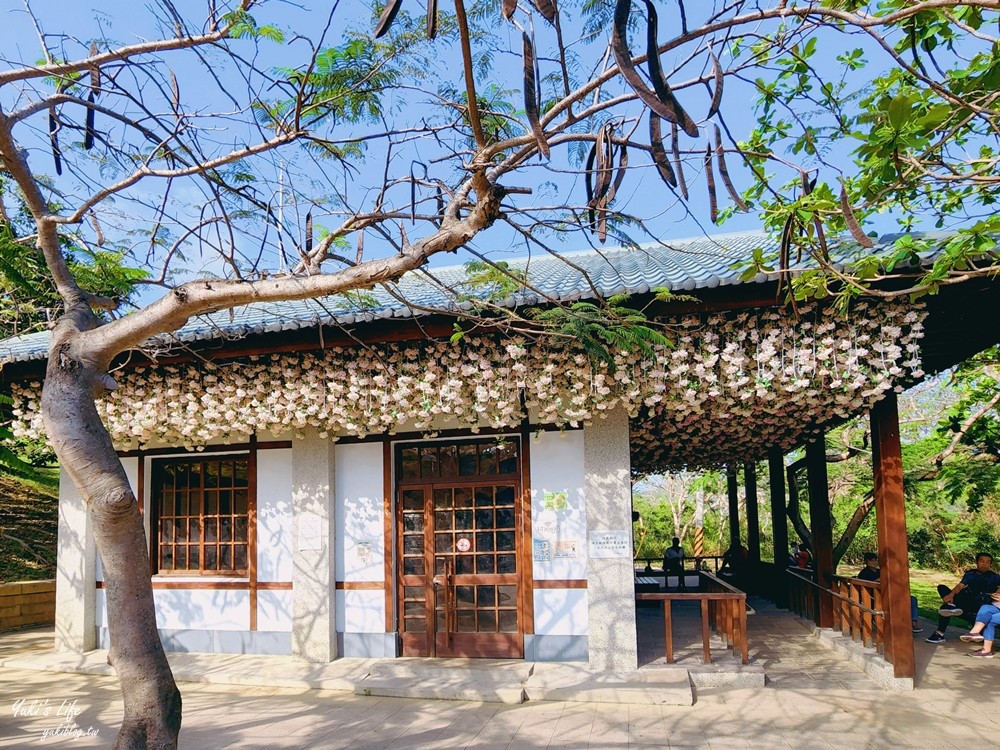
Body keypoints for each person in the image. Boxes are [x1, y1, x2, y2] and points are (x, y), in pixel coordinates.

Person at [925, 552, 1000, 644]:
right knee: (942, 589)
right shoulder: (970, 573)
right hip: (966, 599)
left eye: (988, 562)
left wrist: (997, 593)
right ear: (976, 562)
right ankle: (950, 606)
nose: (984, 564)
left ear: (990, 564)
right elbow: (960, 586)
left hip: (979, 604)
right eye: (982, 561)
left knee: (945, 608)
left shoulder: (994, 577)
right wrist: (951, 594)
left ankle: (939, 632)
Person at [856, 552, 922, 634]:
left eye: (875, 560)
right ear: (866, 561)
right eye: (871, 560)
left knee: (912, 599)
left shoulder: (880, 571)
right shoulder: (864, 573)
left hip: (890, 593)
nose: (874, 562)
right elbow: (866, 585)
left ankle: (913, 623)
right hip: (875, 597)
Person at [958, 593, 1000, 658]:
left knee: (990, 620)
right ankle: (975, 632)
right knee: (985, 608)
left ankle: (986, 650)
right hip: (997, 607)